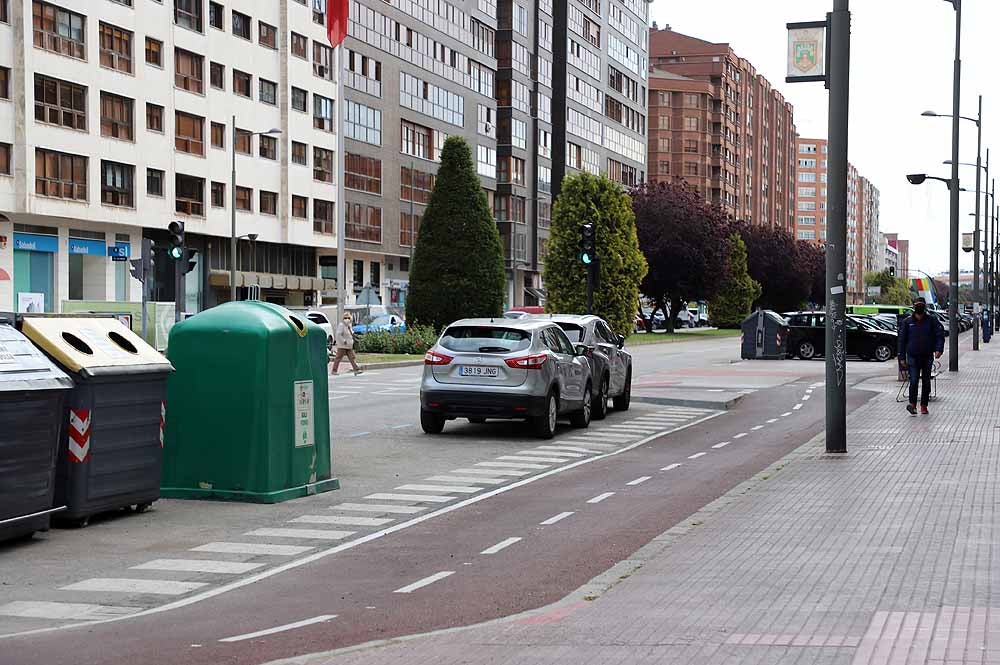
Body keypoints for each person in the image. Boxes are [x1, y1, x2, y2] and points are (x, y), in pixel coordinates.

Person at [898, 299, 944, 415]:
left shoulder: (932, 321)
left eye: (921, 306)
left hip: (927, 356)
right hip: (913, 356)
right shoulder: (907, 322)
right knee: (913, 381)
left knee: (926, 382)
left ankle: (924, 405)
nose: (919, 307)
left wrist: (939, 349)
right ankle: (912, 405)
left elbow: (939, 335)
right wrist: (901, 357)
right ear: (913, 307)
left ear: (924, 307)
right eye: (917, 305)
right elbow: (902, 341)